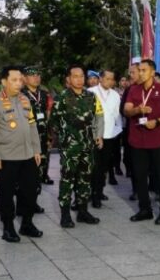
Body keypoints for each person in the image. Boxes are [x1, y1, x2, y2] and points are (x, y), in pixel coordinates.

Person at [0, 66, 43, 242]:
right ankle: (8, 227)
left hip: (28, 155)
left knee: (30, 191)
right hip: (7, 157)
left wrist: (37, 150)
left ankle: (27, 223)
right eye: (14, 80)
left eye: (20, 80)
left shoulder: (25, 100)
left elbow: (32, 125)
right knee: (7, 193)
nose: (19, 83)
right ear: (4, 81)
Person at [123, 59, 160, 225]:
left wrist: (159, 122)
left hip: (157, 140)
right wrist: (138, 110)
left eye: (144, 70)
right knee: (139, 176)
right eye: (139, 70)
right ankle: (145, 209)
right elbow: (126, 110)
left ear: (152, 72)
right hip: (137, 140)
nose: (140, 72)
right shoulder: (134, 89)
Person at [50, 65, 104, 228]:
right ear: (68, 79)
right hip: (70, 147)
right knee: (67, 179)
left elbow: (97, 117)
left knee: (85, 179)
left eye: (81, 76)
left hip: (87, 145)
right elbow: (54, 121)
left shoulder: (91, 96)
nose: (79, 79)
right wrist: (65, 138)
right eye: (75, 76)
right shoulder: (62, 97)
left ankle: (82, 211)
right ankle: (65, 215)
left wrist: (98, 135)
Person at [88, 69, 123, 208]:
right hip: (94, 135)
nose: (110, 81)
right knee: (94, 166)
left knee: (104, 167)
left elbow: (116, 115)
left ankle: (99, 191)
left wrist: (118, 129)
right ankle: (91, 194)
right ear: (100, 79)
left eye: (112, 79)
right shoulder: (90, 92)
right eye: (107, 78)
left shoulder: (115, 95)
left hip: (110, 135)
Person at [21, 67, 54, 186]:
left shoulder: (45, 94)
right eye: (32, 75)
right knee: (29, 166)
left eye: (38, 75)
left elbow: (49, 114)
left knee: (43, 159)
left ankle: (42, 178)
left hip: (43, 133)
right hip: (28, 135)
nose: (36, 78)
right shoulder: (20, 95)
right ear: (24, 78)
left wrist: (50, 135)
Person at [119, 64, 139, 200]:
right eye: (129, 72)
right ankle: (136, 189)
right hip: (132, 130)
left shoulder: (154, 89)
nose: (131, 75)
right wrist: (134, 111)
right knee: (132, 161)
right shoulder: (130, 90)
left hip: (152, 132)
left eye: (134, 72)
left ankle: (154, 188)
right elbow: (122, 110)